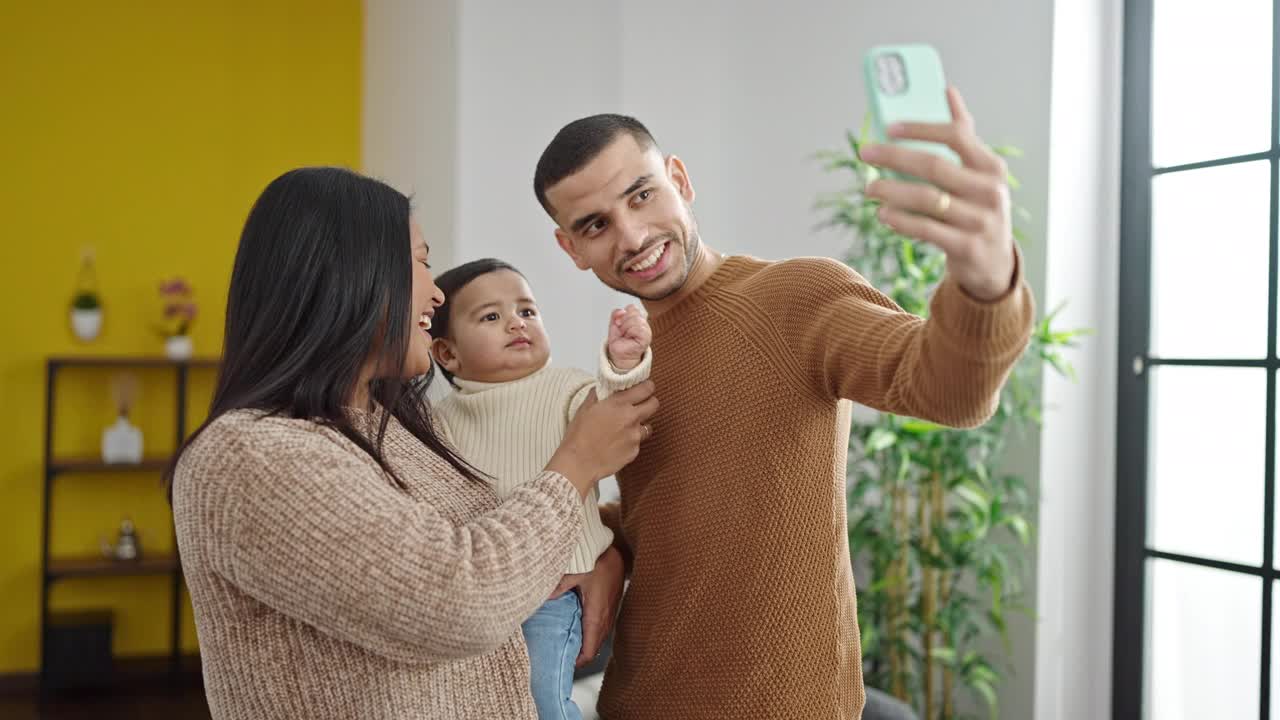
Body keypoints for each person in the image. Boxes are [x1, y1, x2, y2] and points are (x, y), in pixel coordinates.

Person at [532, 87, 1035, 719]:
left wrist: (987, 282)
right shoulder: (630, 358)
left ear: (680, 180)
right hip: (641, 701)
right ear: (570, 248)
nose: (631, 236)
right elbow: (670, 508)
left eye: (641, 194)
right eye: (596, 225)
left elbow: (947, 389)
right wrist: (607, 547)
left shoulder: (794, 298)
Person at [168, 167, 658, 720]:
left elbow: (494, 535)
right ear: (351, 274)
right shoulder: (251, 457)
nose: (437, 290)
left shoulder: (387, 424)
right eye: (422, 262)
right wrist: (575, 468)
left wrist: (601, 550)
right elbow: (460, 601)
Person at [426, 257, 652, 719]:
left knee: (541, 698)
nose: (516, 322)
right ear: (447, 354)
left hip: (557, 585)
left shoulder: (564, 388)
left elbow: (611, 406)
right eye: (491, 317)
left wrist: (622, 361)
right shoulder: (437, 421)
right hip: (485, 597)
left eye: (527, 311)